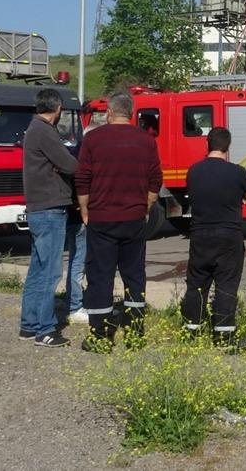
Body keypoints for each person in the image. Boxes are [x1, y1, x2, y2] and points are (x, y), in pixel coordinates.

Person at [75, 92, 163, 351]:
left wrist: (84, 210)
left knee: (100, 277)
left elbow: (82, 179)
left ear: (109, 113)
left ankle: (100, 337)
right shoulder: (146, 141)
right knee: (134, 276)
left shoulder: (93, 139)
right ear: (132, 113)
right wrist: (145, 207)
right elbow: (155, 179)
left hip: (102, 219)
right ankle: (135, 334)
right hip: (134, 219)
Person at [181, 127, 246, 347]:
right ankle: (224, 337)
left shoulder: (194, 171)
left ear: (207, 144)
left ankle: (191, 333)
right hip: (228, 237)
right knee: (226, 284)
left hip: (199, 235)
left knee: (197, 284)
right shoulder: (237, 172)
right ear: (228, 147)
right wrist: (240, 197)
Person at [19, 89, 85, 348]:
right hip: (50, 208)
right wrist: (68, 165)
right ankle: (45, 330)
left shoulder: (33, 129)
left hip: (38, 208)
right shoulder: (45, 132)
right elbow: (70, 165)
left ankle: (29, 324)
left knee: (37, 269)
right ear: (57, 109)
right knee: (50, 271)